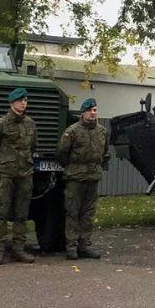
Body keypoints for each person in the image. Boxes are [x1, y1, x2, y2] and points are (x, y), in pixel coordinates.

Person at [0, 87, 37, 265]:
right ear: (12, 103)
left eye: (25, 100)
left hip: (25, 174)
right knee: (1, 213)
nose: (23, 103)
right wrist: (3, 164)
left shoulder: (30, 123)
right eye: (20, 100)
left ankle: (18, 249)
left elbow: (32, 146)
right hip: (5, 174)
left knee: (21, 214)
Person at [57, 97, 109, 260]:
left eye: (95, 110)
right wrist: (72, 168)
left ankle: (84, 244)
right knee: (73, 212)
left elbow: (105, 152)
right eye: (90, 111)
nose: (93, 113)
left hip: (93, 176)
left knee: (88, 213)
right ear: (83, 113)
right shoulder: (72, 131)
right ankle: (71, 247)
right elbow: (61, 153)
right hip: (75, 177)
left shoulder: (102, 131)